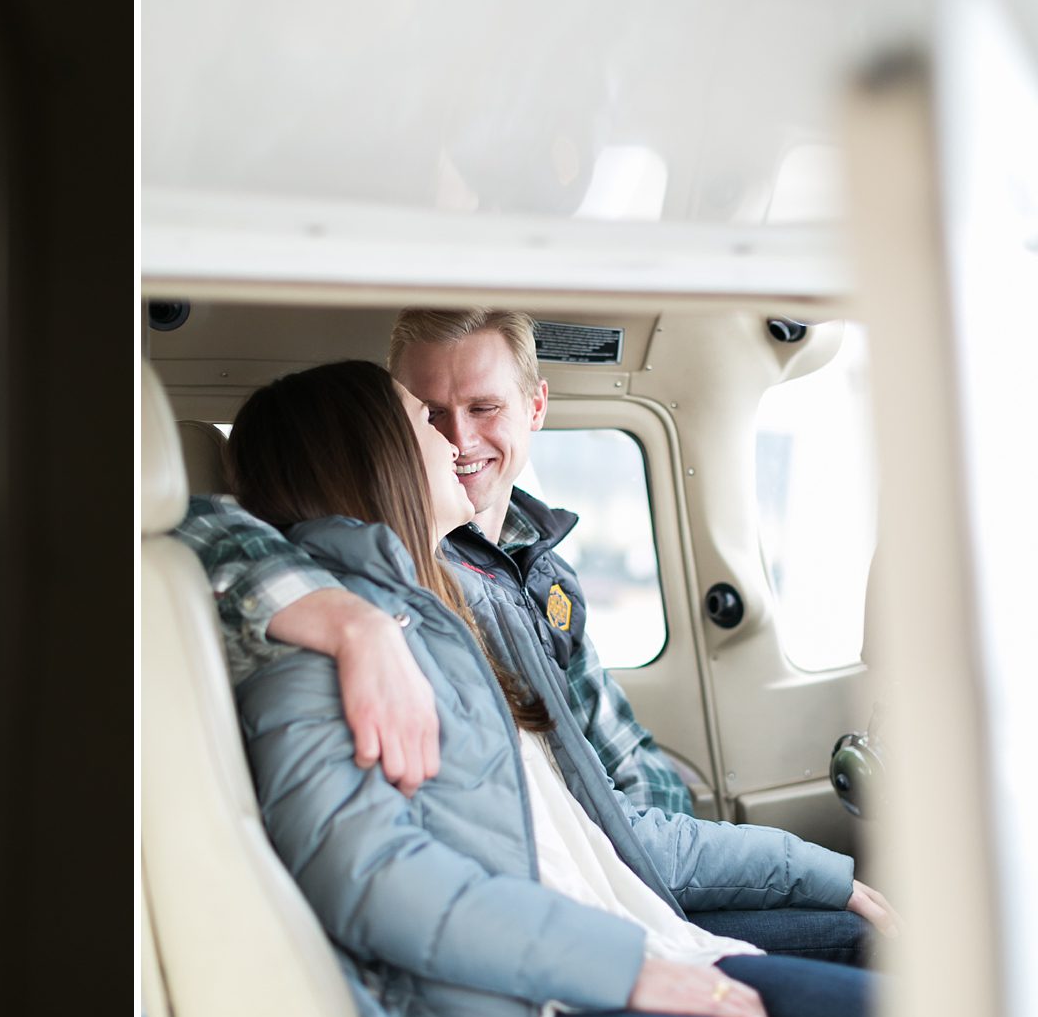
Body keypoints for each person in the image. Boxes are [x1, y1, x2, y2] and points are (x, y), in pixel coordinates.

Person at [225, 359, 876, 1017]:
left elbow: (598, 833)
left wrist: (796, 889)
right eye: (425, 420)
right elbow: (376, 879)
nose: (454, 442)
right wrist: (628, 970)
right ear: (374, 456)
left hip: (635, 955)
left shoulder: (446, 614)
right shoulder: (321, 659)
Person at [178, 306, 889, 963]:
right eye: (429, 415)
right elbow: (186, 525)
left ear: (536, 407)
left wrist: (710, 883)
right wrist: (352, 623)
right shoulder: (382, 588)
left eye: (483, 408)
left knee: (862, 942)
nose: (458, 439)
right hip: (575, 923)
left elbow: (617, 774)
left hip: (634, 880)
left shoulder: (541, 578)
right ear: (386, 442)